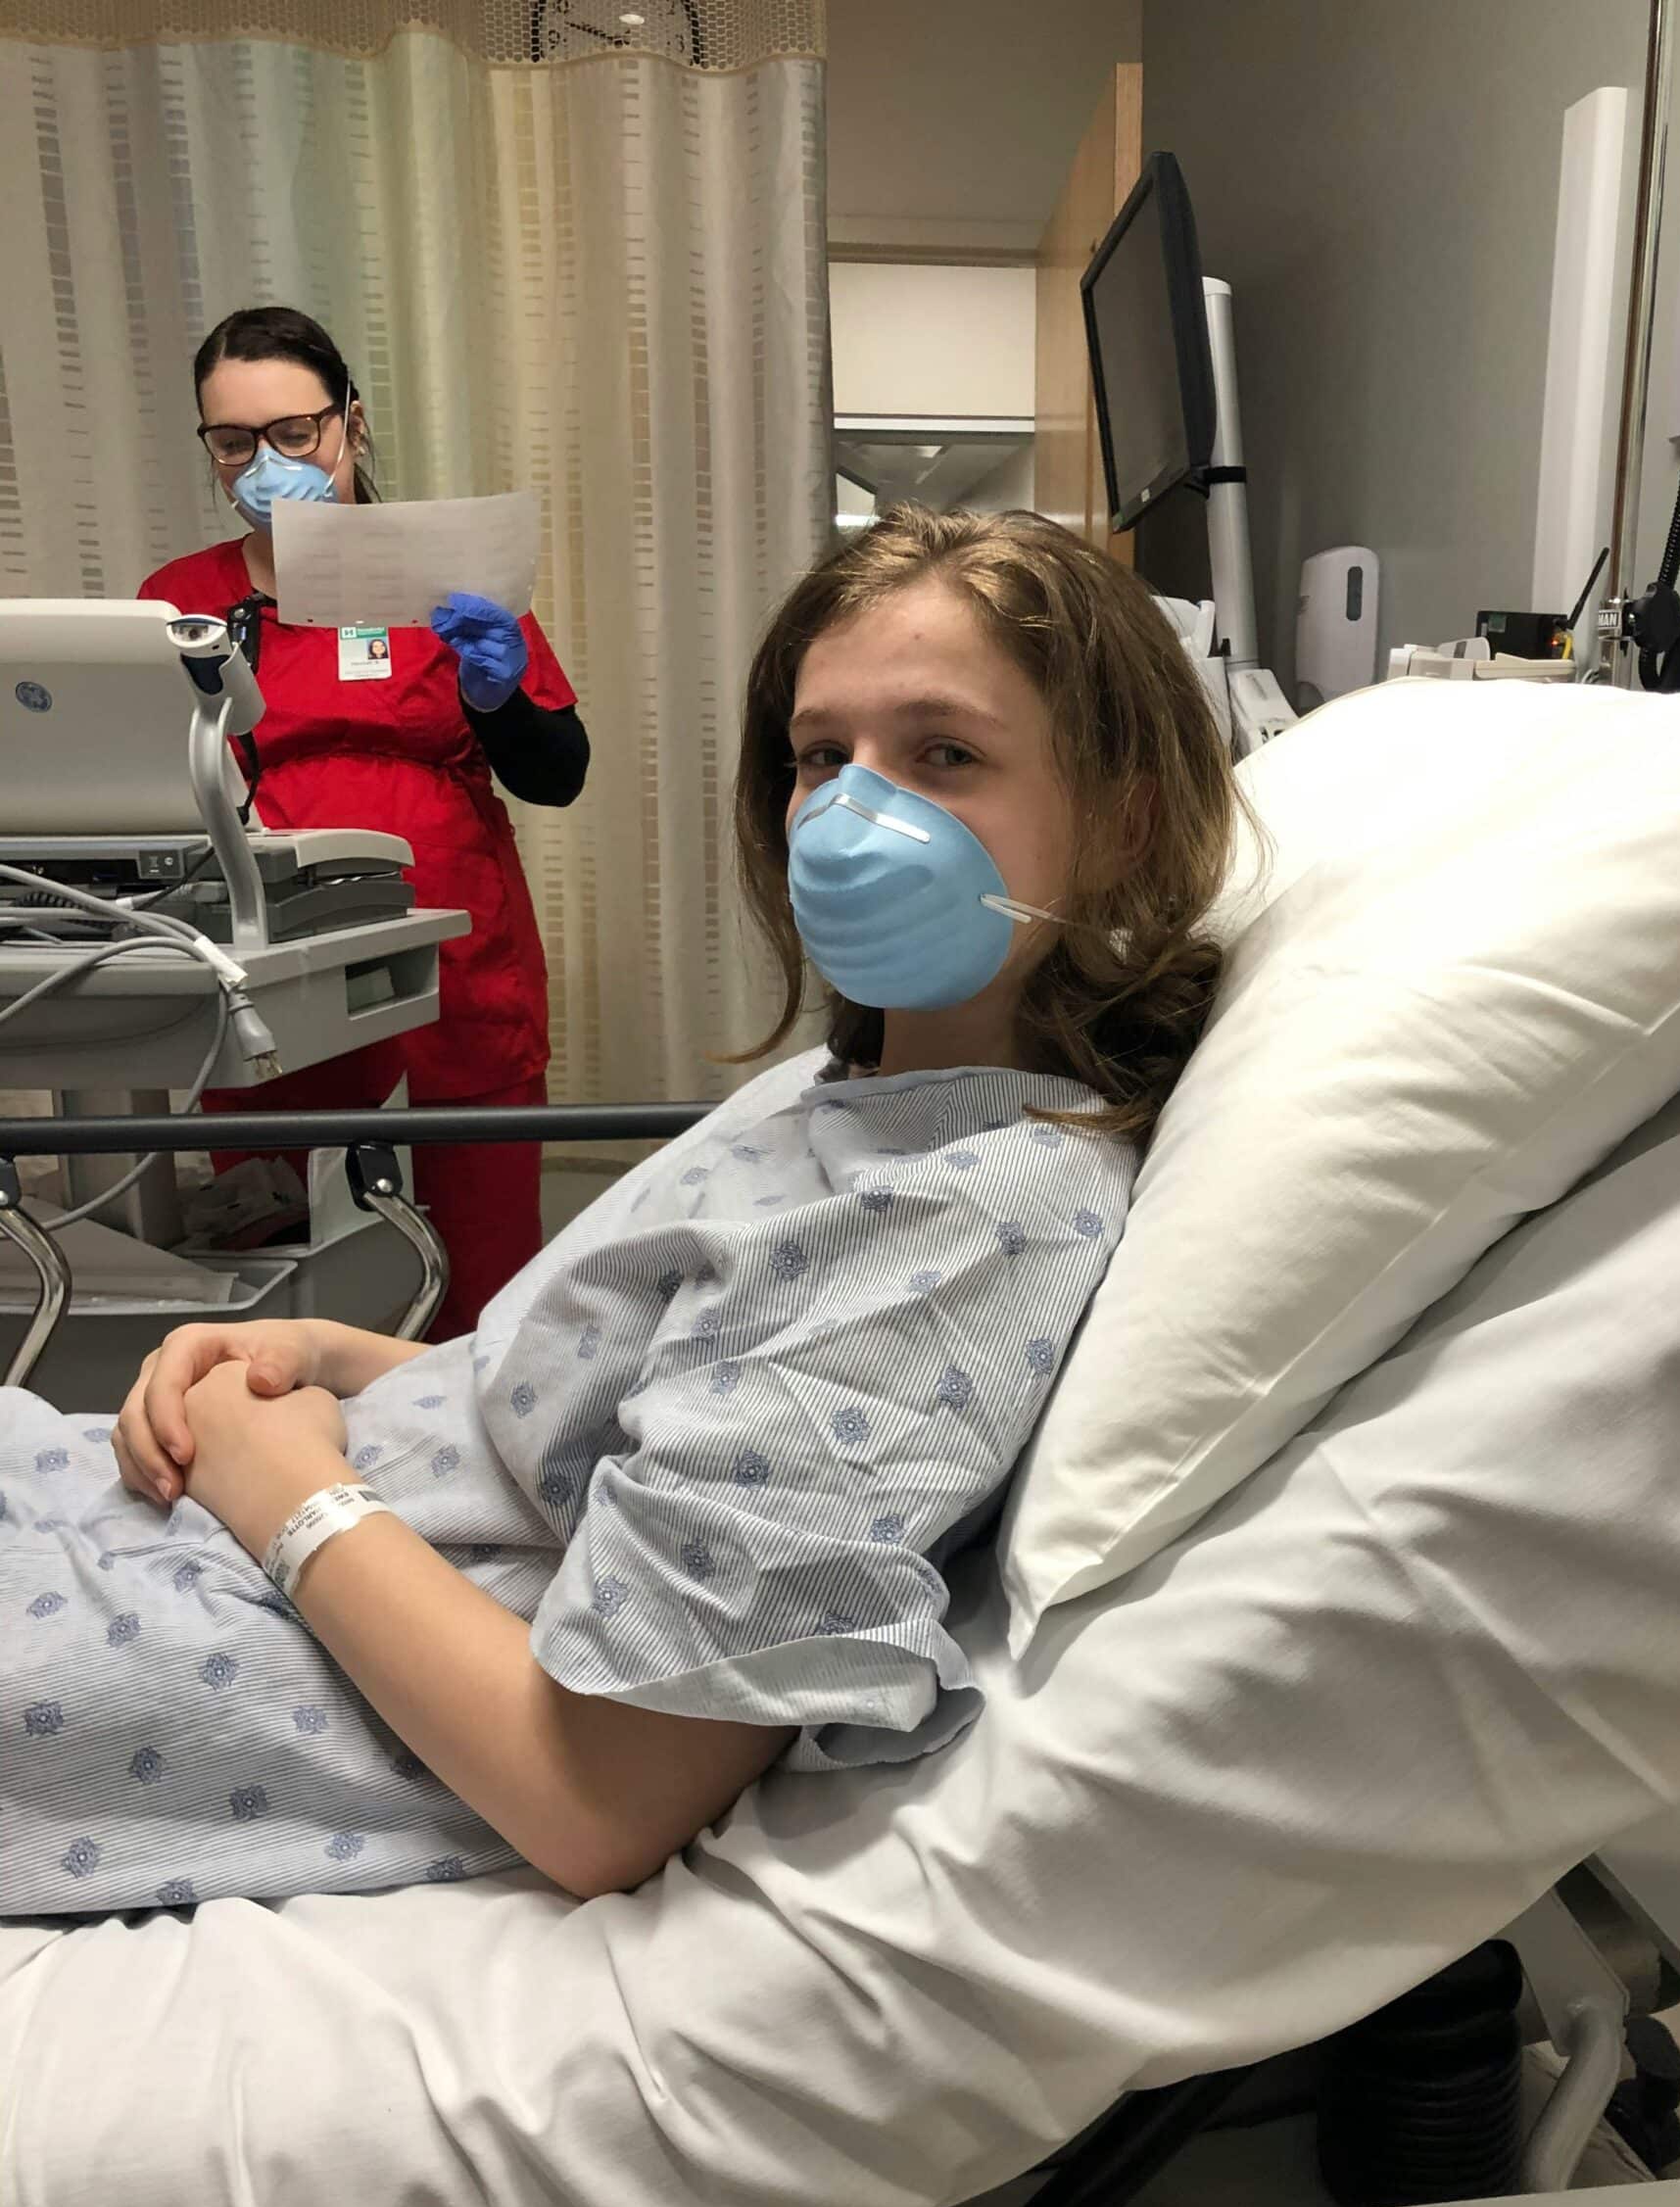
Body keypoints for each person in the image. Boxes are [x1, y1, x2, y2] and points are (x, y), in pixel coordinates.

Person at [1, 506, 1238, 1919]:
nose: (847, 813)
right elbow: (635, 1412)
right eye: (823, 757)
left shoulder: (975, 1206)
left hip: (231, 1627)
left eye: (943, 754)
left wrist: (276, 1487)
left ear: (1127, 811)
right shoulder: (845, 1092)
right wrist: (334, 1358)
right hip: (235, 1504)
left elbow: (598, 1794)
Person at [138, 306, 591, 1341]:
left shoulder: (450, 570)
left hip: (457, 957)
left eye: (295, 431)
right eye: (234, 440)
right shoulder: (182, 601)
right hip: (270, 964)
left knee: (479, 1269)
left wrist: (498, 694)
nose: (267, 461)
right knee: (268, 1269)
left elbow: (556, 774)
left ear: (352, 422)